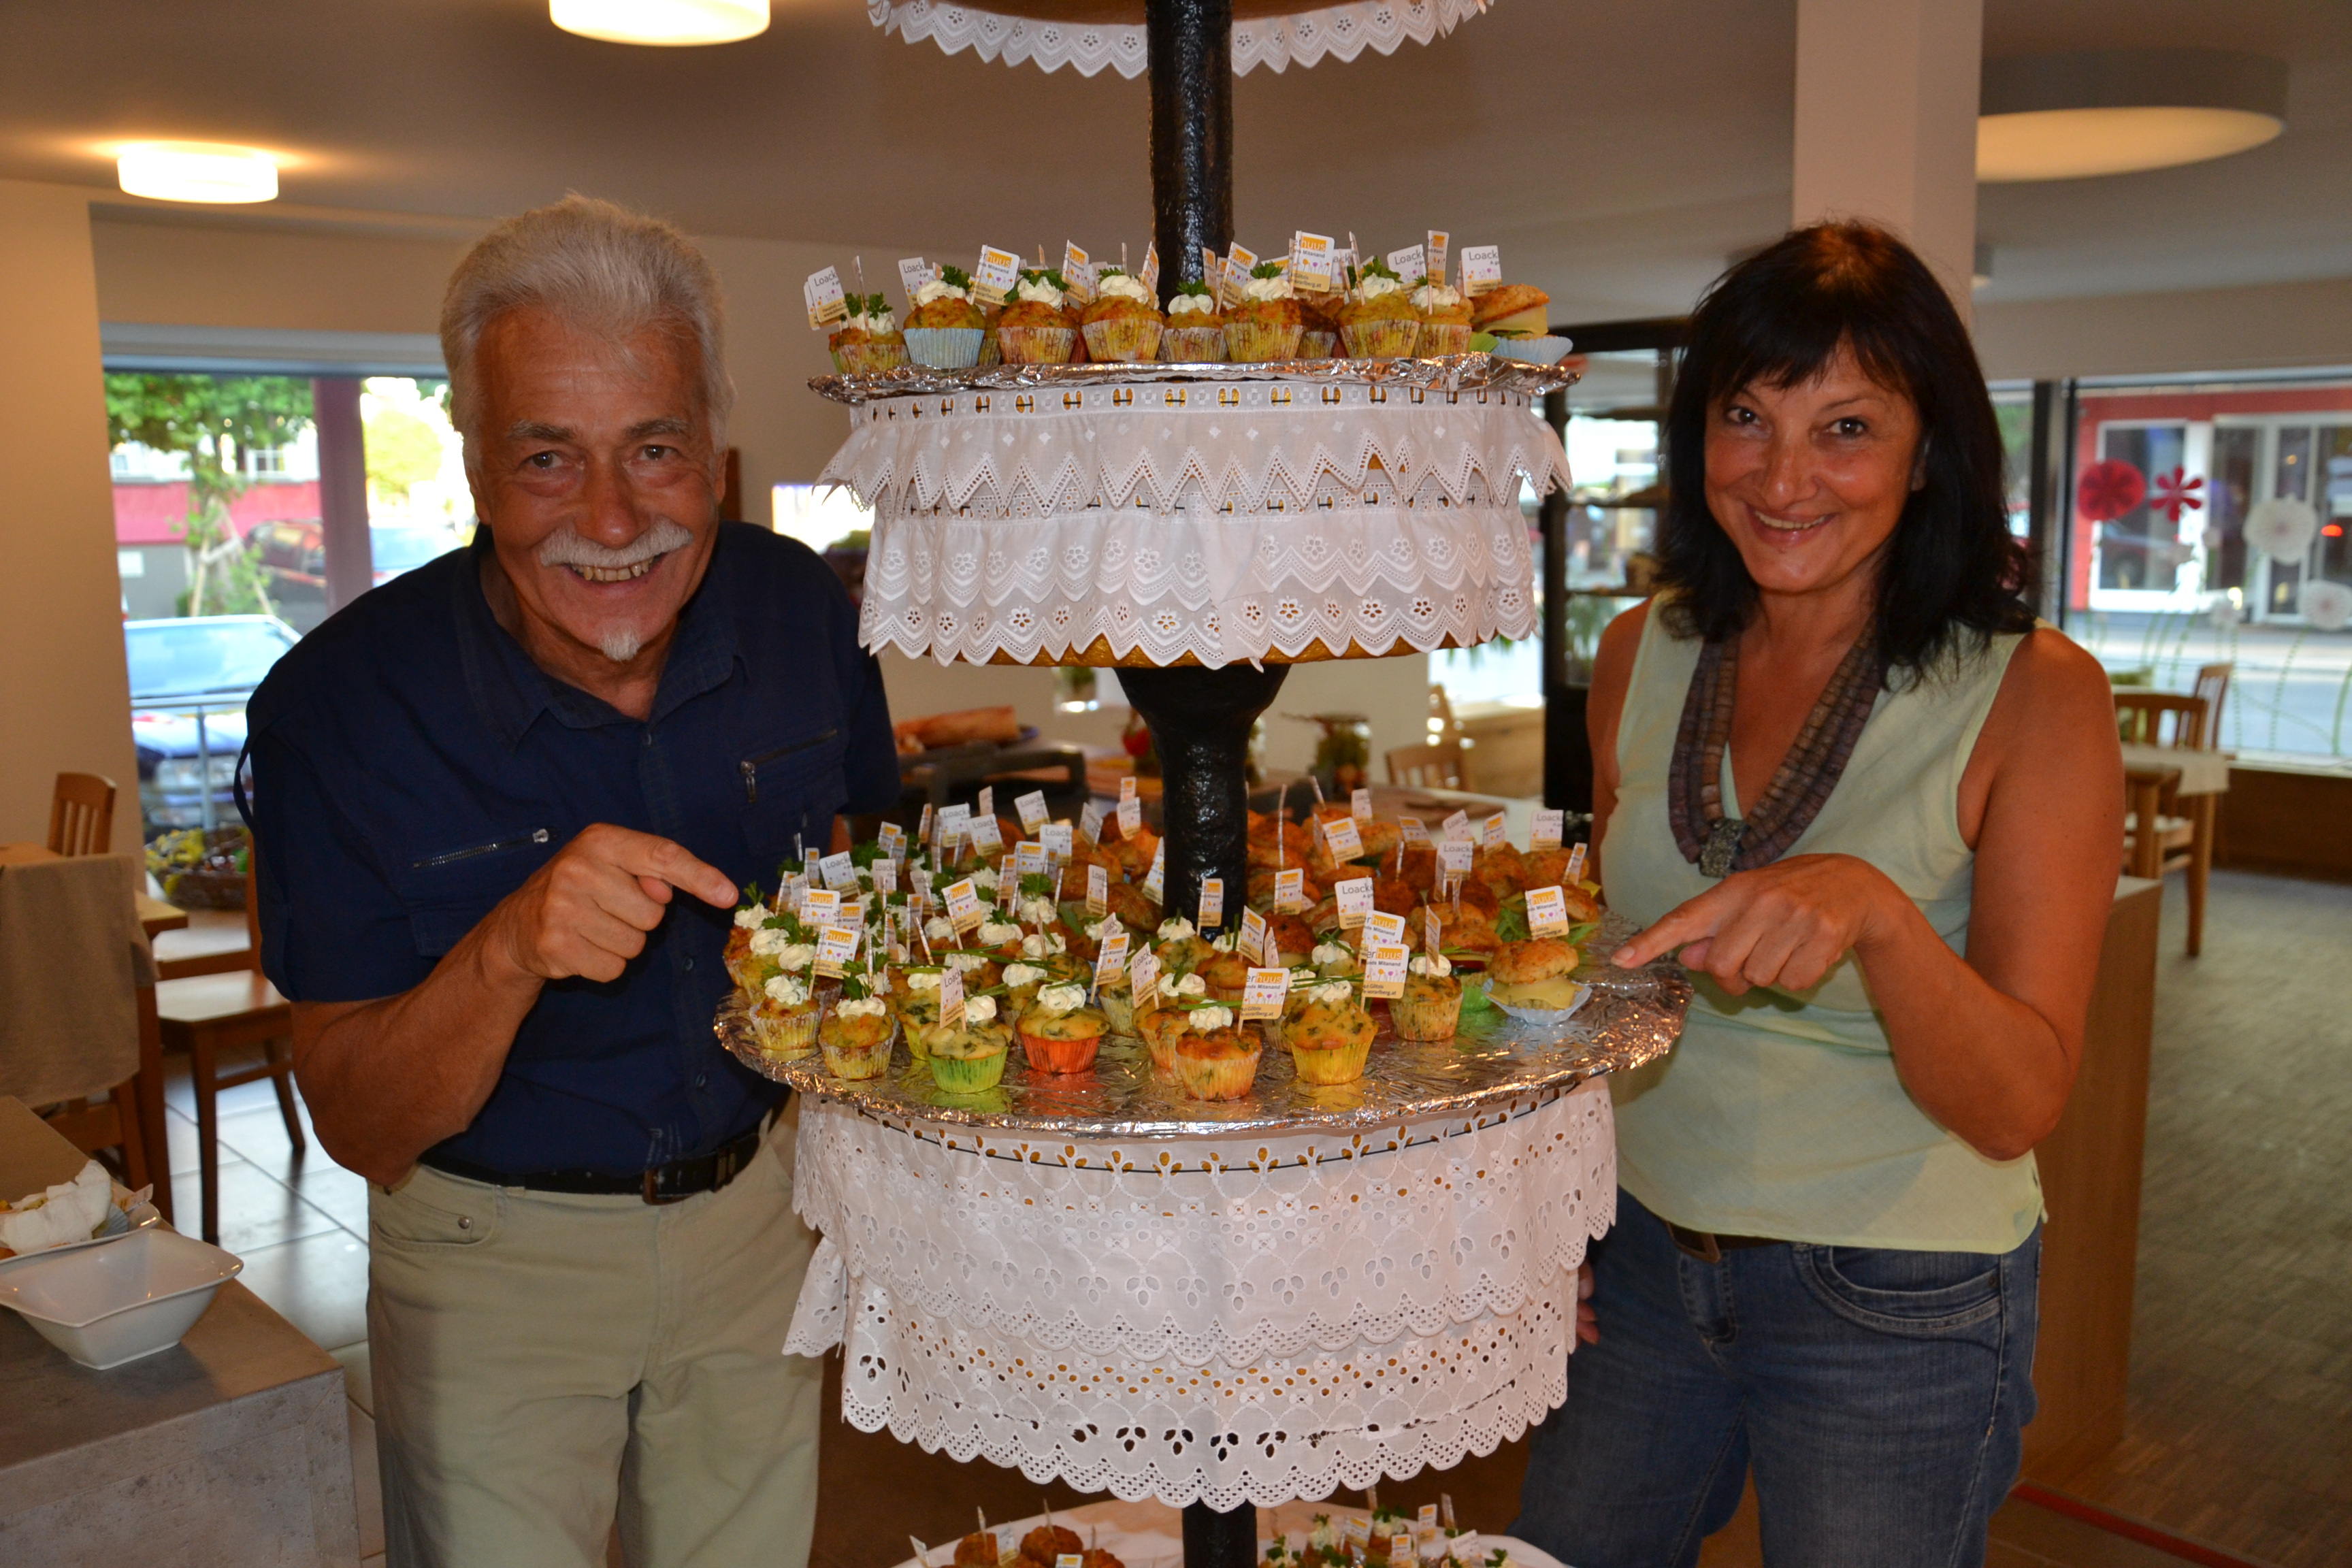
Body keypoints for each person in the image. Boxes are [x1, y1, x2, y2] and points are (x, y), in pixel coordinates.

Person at [242, 196, 900, 1568]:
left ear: (714, 451)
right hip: (493, 1262)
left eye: (654, 449)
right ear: (476, 469)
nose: (612, 518)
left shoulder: (801, 612)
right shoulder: (338, 710)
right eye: (548, 458)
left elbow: (860, 865)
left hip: (760, 1222)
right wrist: (509, 950)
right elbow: (357, 1123)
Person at [1512, 223, 2123, 1567]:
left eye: (1845, 428)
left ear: (1929, 452)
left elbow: (2017, 1102)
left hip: (1897, 1292)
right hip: (1644, 1253)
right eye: (1747, 417)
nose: (1783, 478)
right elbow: (1607, 977)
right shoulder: (1643, 649)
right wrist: (1555, 1209)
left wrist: (1879, 915)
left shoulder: (2036, 693)